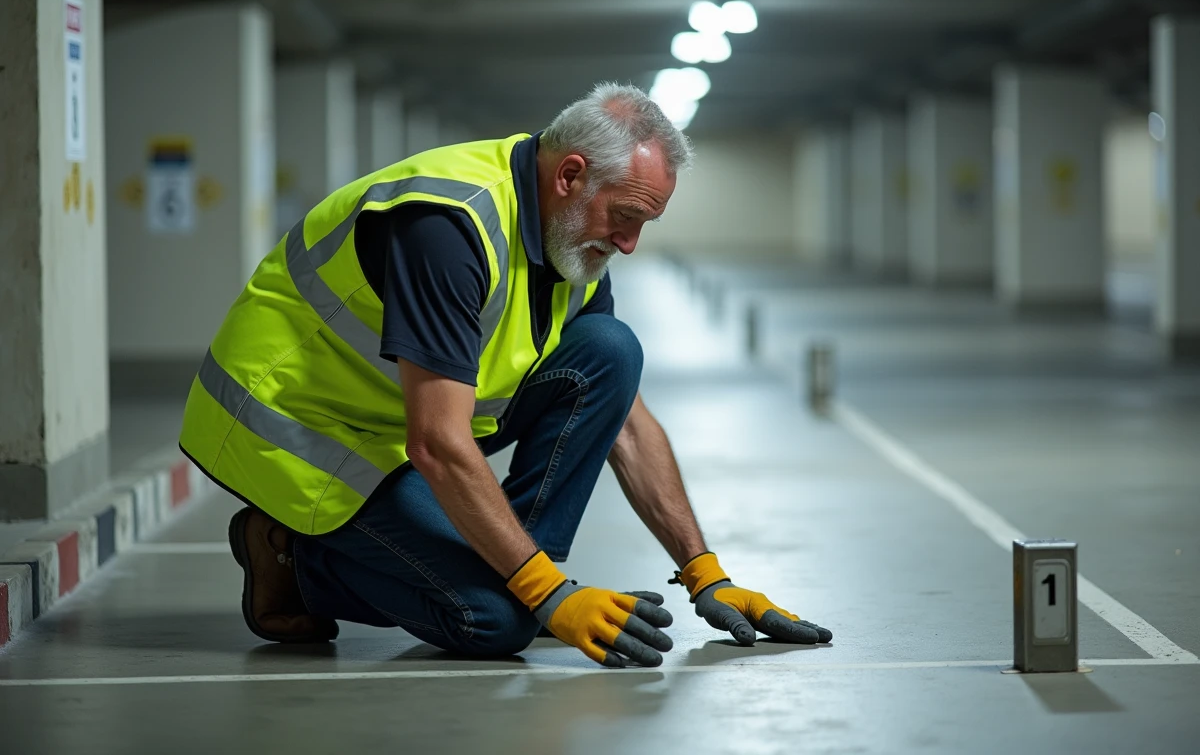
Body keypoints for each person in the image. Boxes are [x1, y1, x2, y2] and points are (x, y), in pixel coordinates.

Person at [179, 83, 832, 668]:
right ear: (570, 176)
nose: (630, 243)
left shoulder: (567, 240)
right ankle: (293, 553)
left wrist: (704, 572)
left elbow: (626, 421)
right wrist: (548, 595)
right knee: (492, 621)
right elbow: (436, 443)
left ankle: (521, 577)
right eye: (626, 218)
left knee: (609, 349)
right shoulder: (448, 228)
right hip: (304, 432)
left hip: (396, 417)